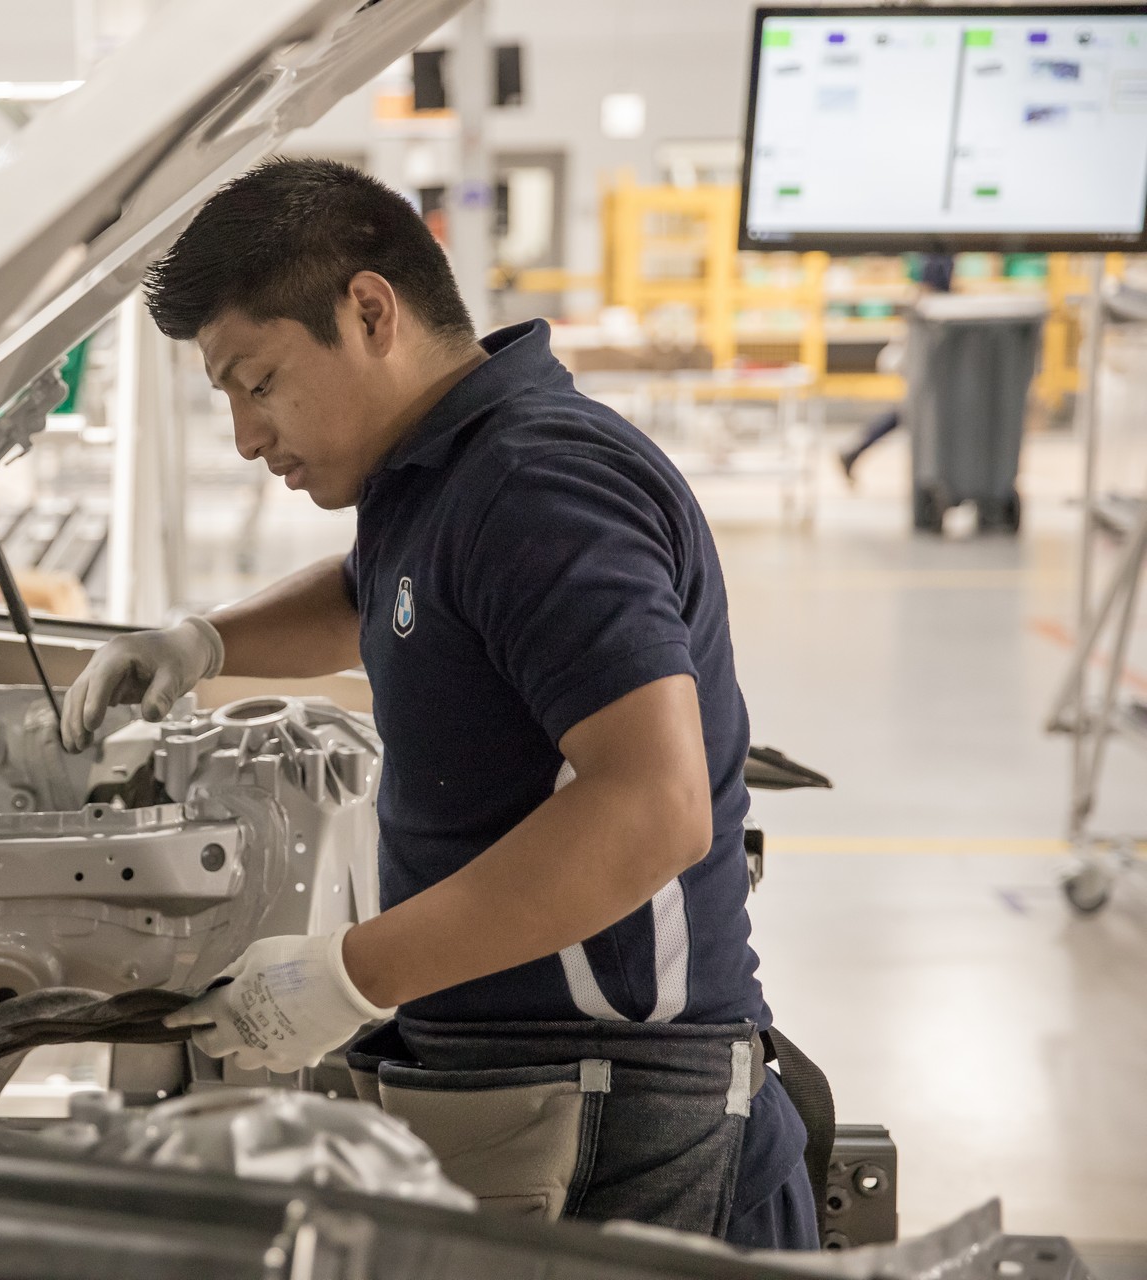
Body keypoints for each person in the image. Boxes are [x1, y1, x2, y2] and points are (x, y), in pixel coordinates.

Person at [59, 158, 816, 1246]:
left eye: (258, 382)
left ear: (371, 312)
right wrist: (205, 641)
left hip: (621, 1117)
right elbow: (379, 590)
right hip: (533, 1085)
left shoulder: (539, 485)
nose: (245, 435)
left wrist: (349, 974)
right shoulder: (444, 471)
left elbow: (654, 808)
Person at [839, 253, 955, 482]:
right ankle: (857, 451)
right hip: (929, 358)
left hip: (930, 359)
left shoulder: (927, 295)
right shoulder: (930, 294)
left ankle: (856, 451)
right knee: (914, 412)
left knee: (911, 413)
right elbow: (934, 283)